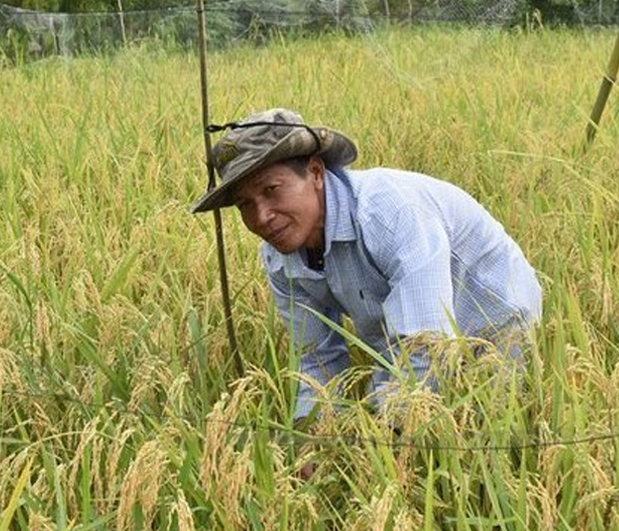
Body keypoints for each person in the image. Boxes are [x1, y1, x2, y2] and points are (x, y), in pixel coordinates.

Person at [191, 108, 542, 423]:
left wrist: (384, 439)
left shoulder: (389, 214)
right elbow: (318, 357)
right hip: (405, 339)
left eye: (271, 190)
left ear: (315, 172)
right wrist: (311, 431)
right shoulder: (281, 258)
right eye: (244, 206)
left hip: (495, 322)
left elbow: (426, 346)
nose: (261, 217)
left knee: (492, 431)